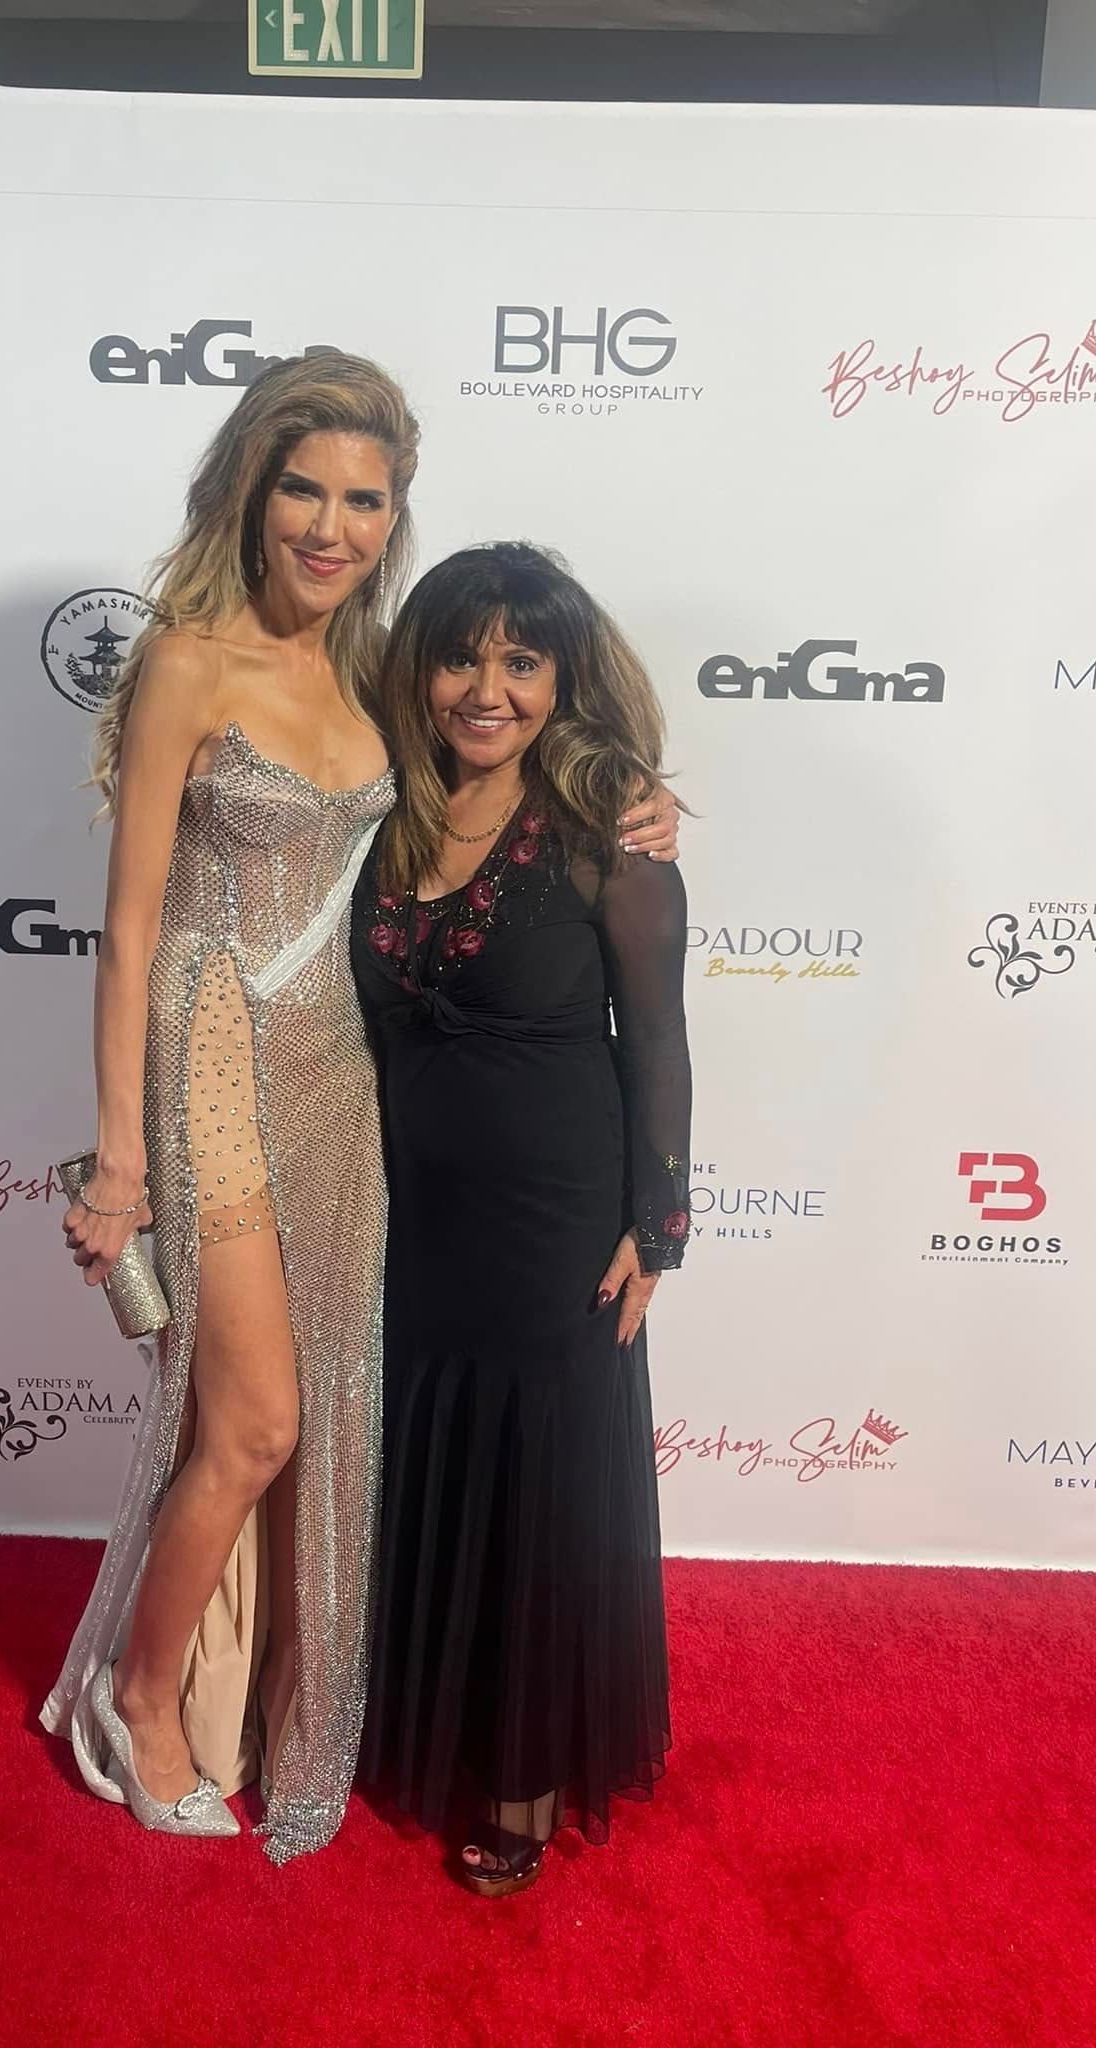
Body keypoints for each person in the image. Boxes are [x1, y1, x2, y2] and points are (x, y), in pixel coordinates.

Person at [39, 354, 679, 1863]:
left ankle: (264, 1694)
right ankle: (140, 1699)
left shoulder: (384, 669)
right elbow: (131, 929)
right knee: (254, 1420)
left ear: (393, 519)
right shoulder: (188, 661)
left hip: (344, 1079)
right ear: (251, 497)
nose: (330, 526)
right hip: (209, 1062)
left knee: (329, 1416)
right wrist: (119, 1158)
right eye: (304, 491)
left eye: (363, 500)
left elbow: (504, 752)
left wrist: (633, 796)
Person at [354, 542, 691, 1896]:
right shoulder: (373, 810)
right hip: (406, 1216)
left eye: (520, 659)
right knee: (430, 1465)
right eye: (460, 654)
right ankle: (421, 1724)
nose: (485, 687)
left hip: (558, 1223)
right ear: (418, 667)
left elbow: (658, 1036)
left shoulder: (608, 819)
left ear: (561, 677)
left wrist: (654, 1225)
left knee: (543, 1489)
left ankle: (528, 1775)